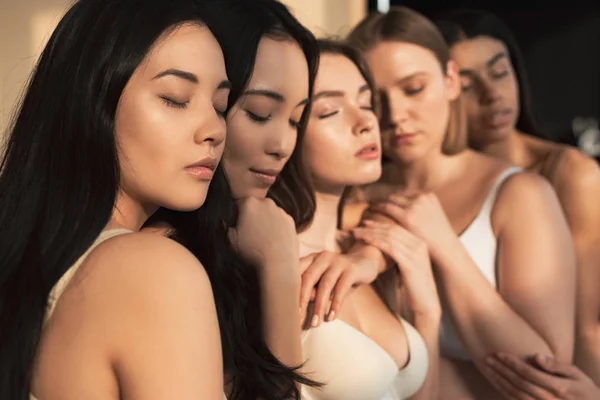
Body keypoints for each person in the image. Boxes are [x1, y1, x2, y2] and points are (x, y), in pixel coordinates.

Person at [0, 0, 292, 398]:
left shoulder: (39, 263)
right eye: (175, 98)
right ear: (92, 98)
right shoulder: (153, 270)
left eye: (220, 106)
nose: (213, 129)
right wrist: (280, 271)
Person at [346, 7, 576, 399]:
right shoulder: (353, 200)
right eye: (375, 100)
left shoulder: (518, 195)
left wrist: (447, 248)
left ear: (451, 80)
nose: (396, 115)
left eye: (413, 88)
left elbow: (547, 376)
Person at [145, 1, 321, 398]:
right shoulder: (159, 260)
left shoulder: (246, 233)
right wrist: (278, 269)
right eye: (259, 113)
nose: (283, 145)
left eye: (296, 119)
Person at [435, 9, 600, 395]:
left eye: (499, 72)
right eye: (470, 83)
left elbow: (586, 323)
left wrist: (589, 392)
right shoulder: (430, 184)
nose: (493, 94)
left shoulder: (570, 172)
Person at [297, 39, 439, 400]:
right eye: (330, 110)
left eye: (365, 103)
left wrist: (427, 314)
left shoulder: (366, 249)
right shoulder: (277, 261)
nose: (366, 122)